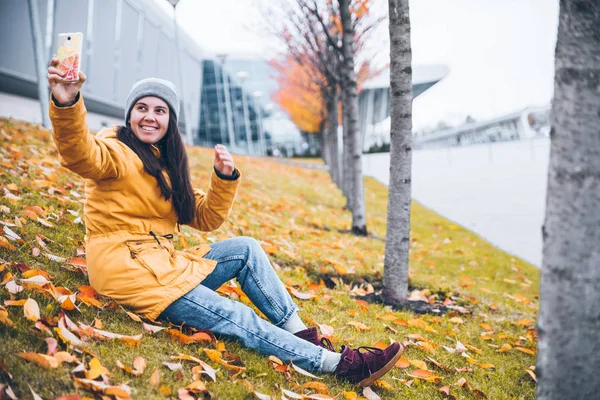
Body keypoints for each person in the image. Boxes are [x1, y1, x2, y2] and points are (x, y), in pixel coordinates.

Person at [46, 58, 403, 387]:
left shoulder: (166, 161)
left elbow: (205, 218)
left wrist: (222, 178)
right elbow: (79, 153)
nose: (150, 116)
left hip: (161, 263)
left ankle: (299, 333)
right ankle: (339, 364)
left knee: (246, 249)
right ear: (129, 114)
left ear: (170, 120)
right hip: (128, 271)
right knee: (234, 316)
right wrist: (66, 103)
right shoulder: (116, 151)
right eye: (142, 108)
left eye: (160, 110)